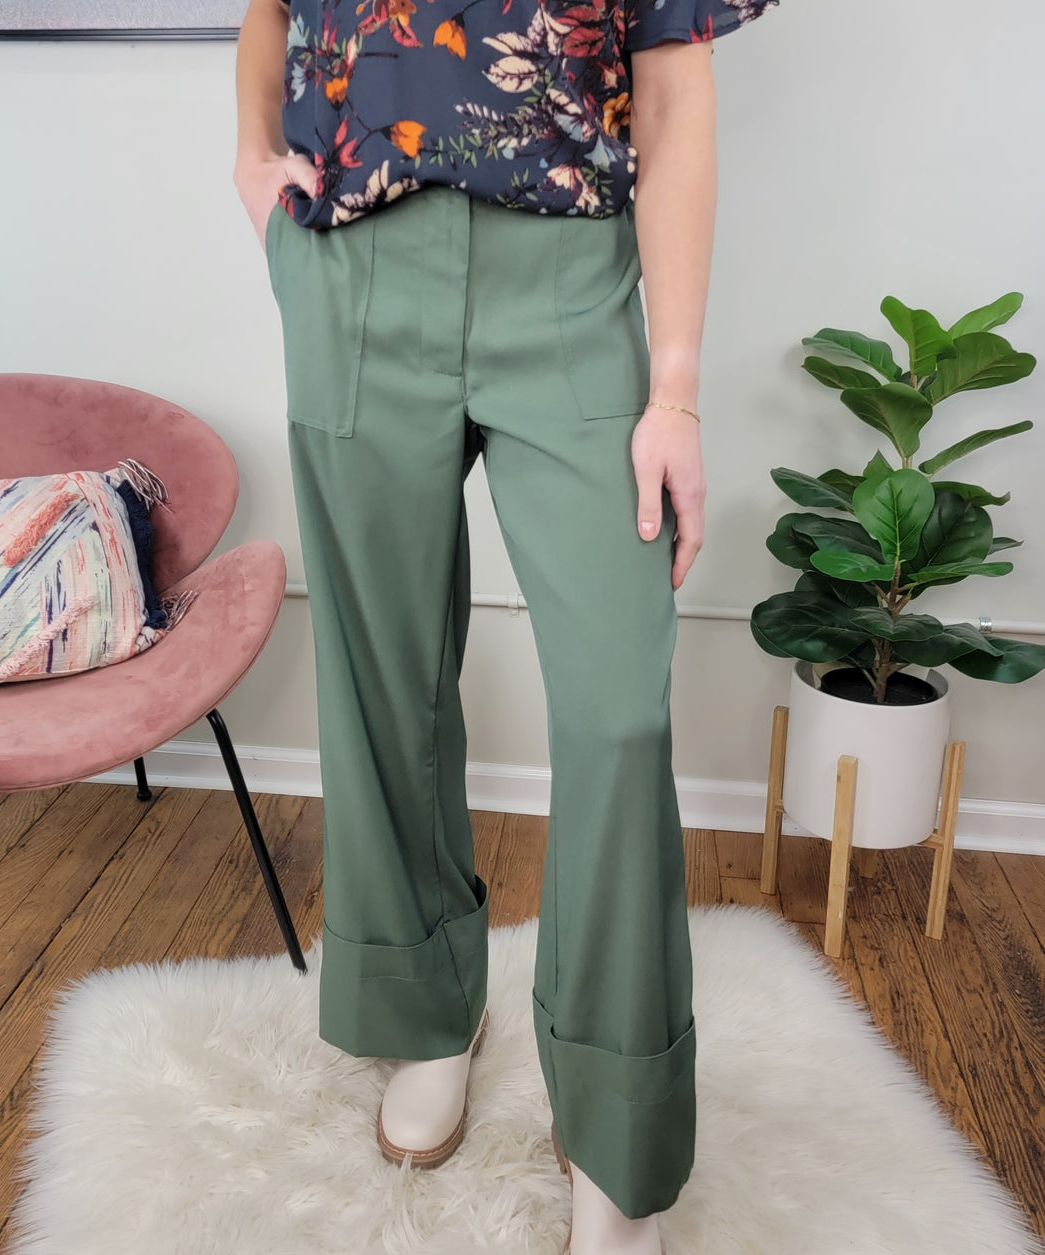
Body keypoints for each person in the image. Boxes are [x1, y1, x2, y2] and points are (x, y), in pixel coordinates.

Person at [233, 0, 778, 1249]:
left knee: (618, 712)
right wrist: (251, 160)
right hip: (352, 265)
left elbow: (679, 90)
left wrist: (677, 391)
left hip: (571, 279)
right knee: (384, 675)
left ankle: (617, 1112)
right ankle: (427, 1007)